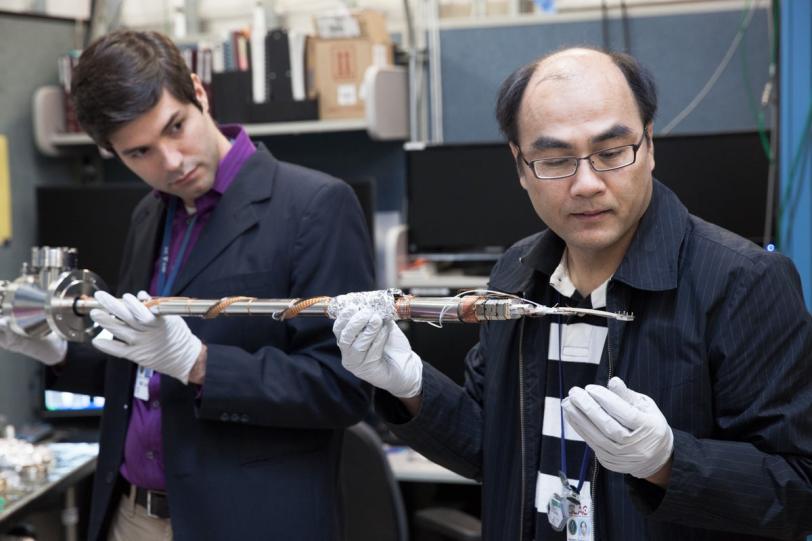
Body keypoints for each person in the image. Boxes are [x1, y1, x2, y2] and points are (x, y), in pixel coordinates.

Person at [333, 47, 812, 540]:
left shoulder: (743, 282)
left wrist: (668, 462)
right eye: (555, 159)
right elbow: (487, 447)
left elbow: (799, 489)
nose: (586, 184)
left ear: (648, 145)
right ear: (520, 166)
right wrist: (408, 386)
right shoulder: (516, 274)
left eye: (610, 153)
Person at [0, 30, 374, 540]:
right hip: (130, 514)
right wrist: (57, 353)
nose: (170, 162)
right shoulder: (149, 213)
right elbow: (139, 370)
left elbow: (344, 388)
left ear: (199, 91)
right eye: (140, 153)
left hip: (245, 523)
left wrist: (200, 365)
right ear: (112, 153)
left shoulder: (314, 206)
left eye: (176, 127)